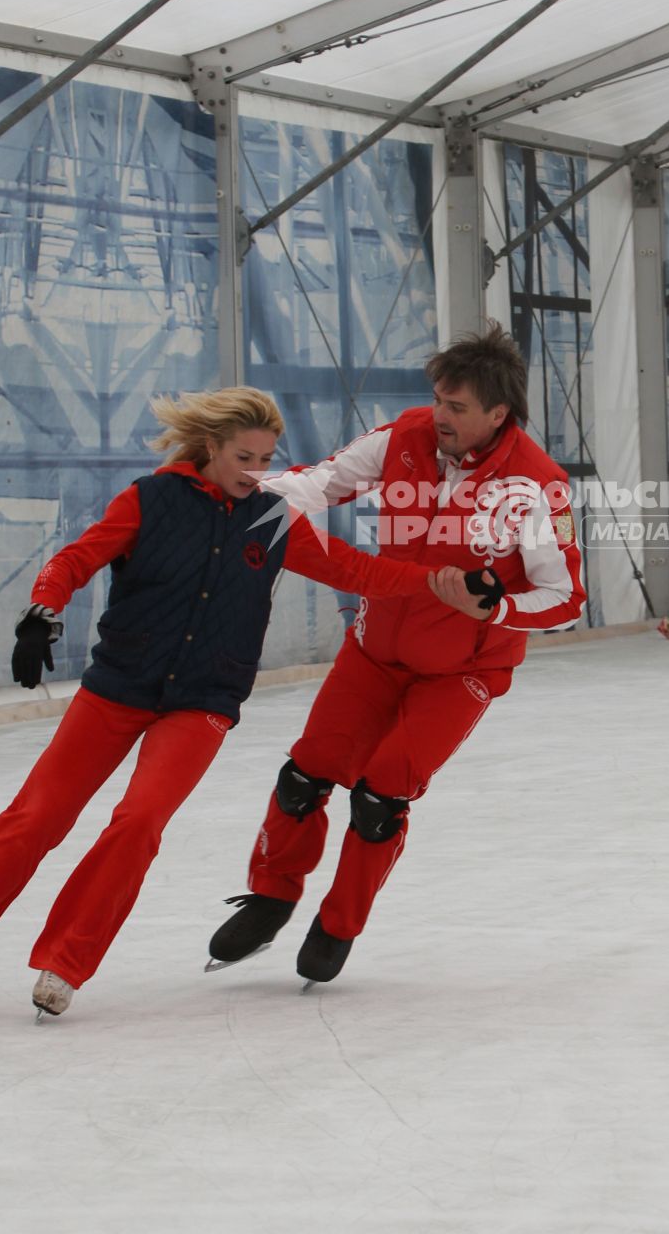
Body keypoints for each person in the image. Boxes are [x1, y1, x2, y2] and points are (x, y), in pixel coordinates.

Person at [0, 386, 481, 1017]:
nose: (257, 472)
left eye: (267, 458)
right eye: (245, 457)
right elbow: (77, 558)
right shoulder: (150, 500)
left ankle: (65, 963)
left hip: (202, 701)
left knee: (139, 822)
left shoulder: (272, 517)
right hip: (118, 688)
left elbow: (357, 572)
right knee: (38, 814)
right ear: (211, 447)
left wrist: (438, 584)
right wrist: (41, 613)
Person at [207, 322, 586, 984]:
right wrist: (247, 489)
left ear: (498, 414)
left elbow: (565, 597)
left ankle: (338, 924)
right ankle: (271, 898)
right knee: (305, 774)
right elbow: (320, 482)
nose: (439, 415)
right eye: (439, 398)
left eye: (457, 407)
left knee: (380, 795)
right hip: (376, 652)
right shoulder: (405, 435)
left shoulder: (538, 485)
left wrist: (495, 609)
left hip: (462, 671)